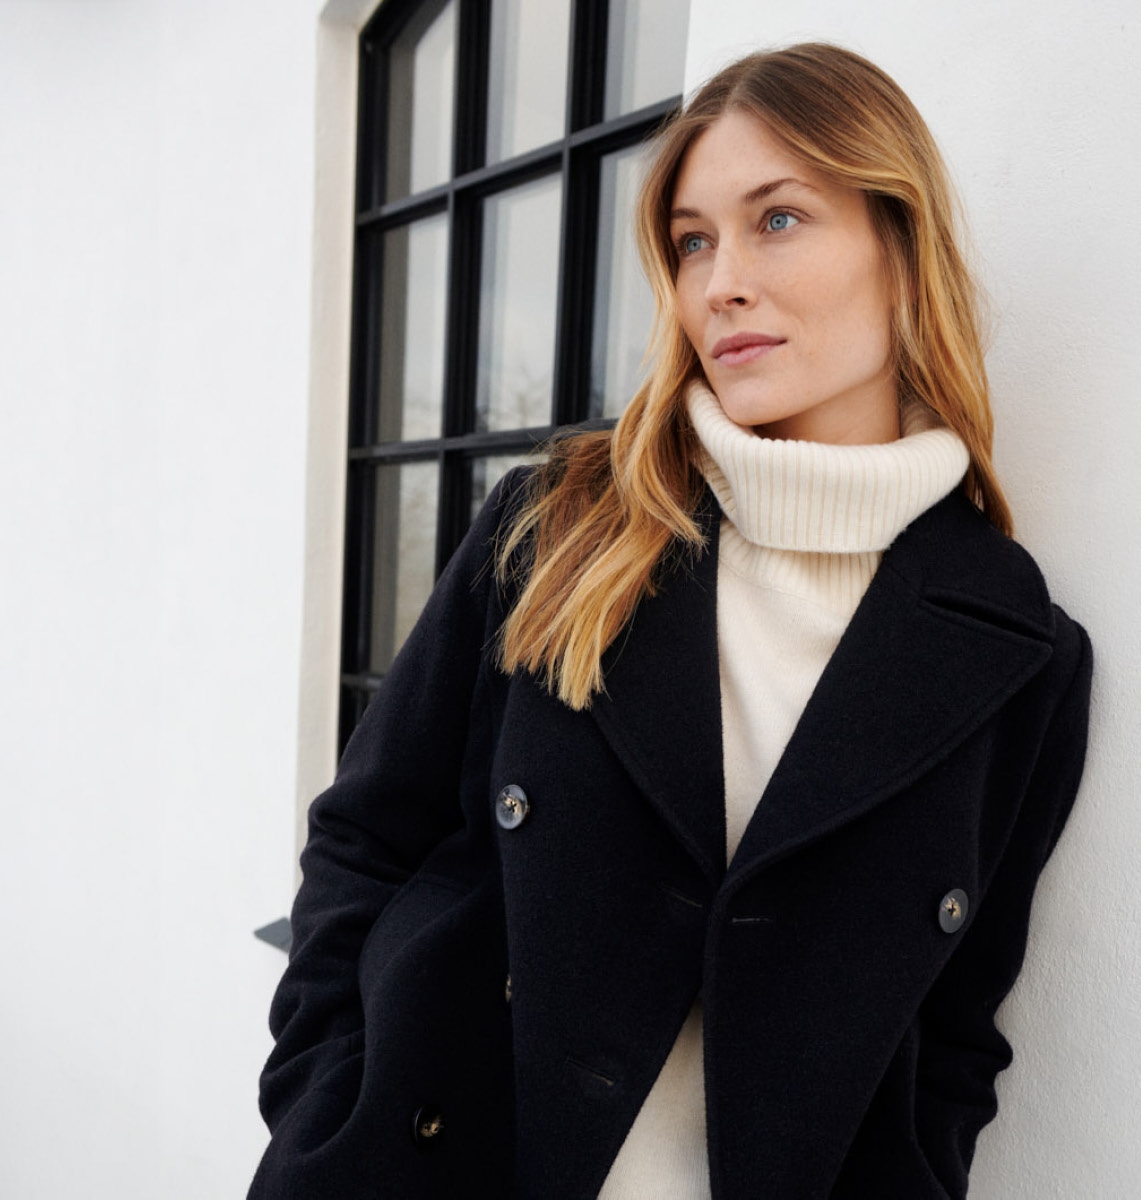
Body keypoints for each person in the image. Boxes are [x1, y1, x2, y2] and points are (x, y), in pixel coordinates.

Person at [249, 42, 1093, 1200]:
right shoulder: (565, 529)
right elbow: (365, 840)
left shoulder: (1018, 656)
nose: (718, 284)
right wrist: (322, 1106)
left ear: (901, 249)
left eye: (778, 220)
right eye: (694, 240)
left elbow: (952, 1036)